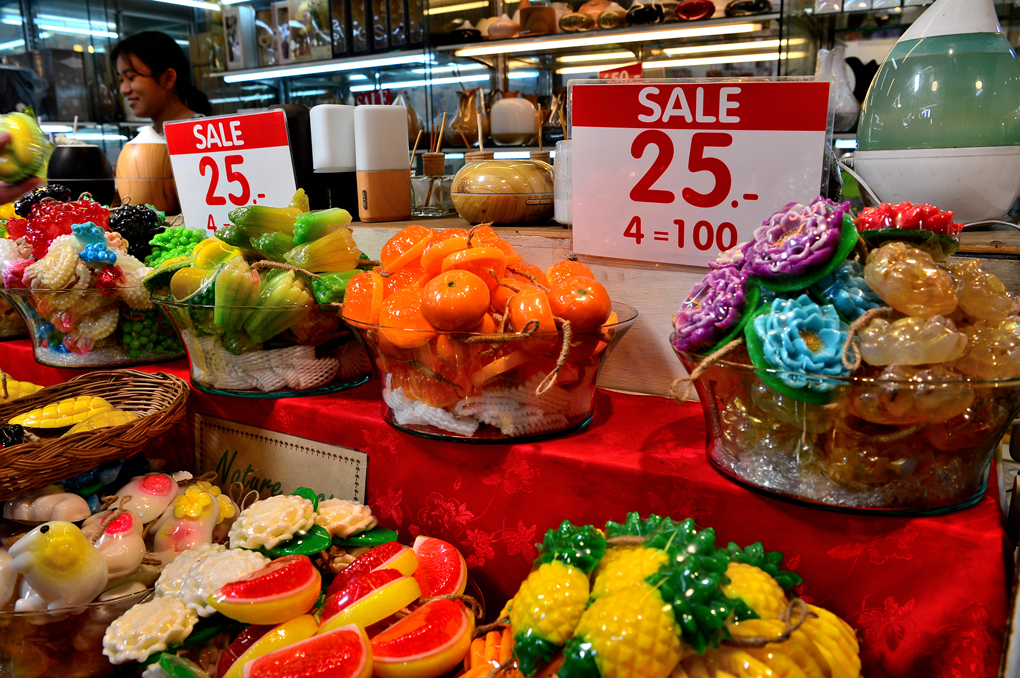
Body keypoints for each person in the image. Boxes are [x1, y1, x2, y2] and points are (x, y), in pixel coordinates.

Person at [111, 31, 212, 136]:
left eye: (131, 77)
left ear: (168, 78)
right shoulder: (148, 137)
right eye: (121, 80)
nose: (123, 89)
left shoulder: (203, 135)